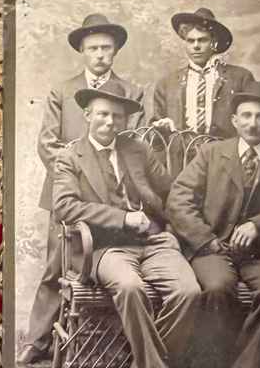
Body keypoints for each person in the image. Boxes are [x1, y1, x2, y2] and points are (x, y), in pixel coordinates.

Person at [18, 13, 143, 364]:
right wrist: (75, 175)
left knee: (118, 262)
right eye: (93, 48)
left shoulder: (131, 93)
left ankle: (116, 341)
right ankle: (39, 340)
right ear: (83, 52)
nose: (100, 54)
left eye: (106, 47)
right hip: (67, 191)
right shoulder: (63, 90)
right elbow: (48, 144)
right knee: (56, 266)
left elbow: (135, 146)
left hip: (115, 197)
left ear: (116, 50)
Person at [52, 80, 201, 368]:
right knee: (131, 287)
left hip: (153, 242)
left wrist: (174, 232)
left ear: (125, 120)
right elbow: (64, 207)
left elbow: (171, 192)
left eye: (117, 116)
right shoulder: (70, 157)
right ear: (87, 115)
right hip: (105, 248)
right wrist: (122, 218)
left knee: (189, 292)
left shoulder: (138, 149)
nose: (110, 122)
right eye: (102, 114)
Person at [166, 81, 260, 368]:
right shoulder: (211, 153)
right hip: (213, 248)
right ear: (234, 120)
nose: (252, 123)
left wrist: (259, 225)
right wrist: (206, 240)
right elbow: (178, 200)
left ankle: (246, 363)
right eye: (246, 115)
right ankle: (216, 360)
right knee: (218, 287)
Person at [152, 8, 254, 139]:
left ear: (214, 43)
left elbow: (250, 124)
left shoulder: (240, 78)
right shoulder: (166, 84)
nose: (196, 46)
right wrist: (162, 129)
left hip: (224, 156)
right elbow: (156, 135)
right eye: (190, 41)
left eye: (202, 40)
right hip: (181, 156)